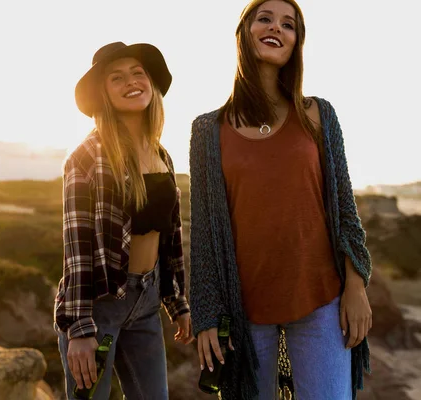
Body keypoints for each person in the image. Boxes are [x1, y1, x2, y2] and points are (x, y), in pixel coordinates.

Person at [188, 1, 372, 399]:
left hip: (322, 301)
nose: (276, 28)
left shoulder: (318, 114)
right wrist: (205, 315)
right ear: (244, 32)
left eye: (289, 25)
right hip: (245, 312)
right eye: (265, 18)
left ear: (296, 43)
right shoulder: (207, 130)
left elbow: (344, 208)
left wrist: (356, 286)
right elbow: (203, 232)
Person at [53, 41, 193, 400]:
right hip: (100, 305)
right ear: (103, 93)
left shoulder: (162, 154)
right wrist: (80, 329)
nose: (131, 82)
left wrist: (177, 304)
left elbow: (171, 237)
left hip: (146, 303)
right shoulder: (87, 156)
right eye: (116, 78)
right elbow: (77, 248)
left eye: (137, 73)